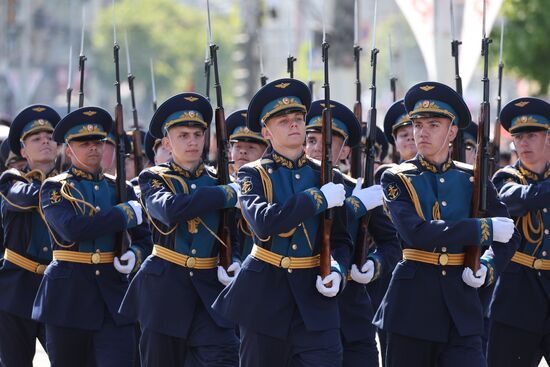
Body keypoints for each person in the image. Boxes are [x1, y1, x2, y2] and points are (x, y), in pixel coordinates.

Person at [375, 81, 519, 366]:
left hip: (461, 311)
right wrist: (482, 229)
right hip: (410, 312)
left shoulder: (472, 178)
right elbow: (416, 233)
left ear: (452, 132)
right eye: (417, 124)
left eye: (433, 124)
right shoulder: (396, 178)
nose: (422, 132)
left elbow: (509, 236)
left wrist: (488, 266)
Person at [213, 78, 352, 367]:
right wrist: (317, 199)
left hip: (315, 299)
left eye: (299, 119)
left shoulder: (329, 176)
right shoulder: (253, 175)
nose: (294, 125)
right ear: (266, 132)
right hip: (264, 294)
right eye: (284, 121)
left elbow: (340, 240)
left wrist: (338, 270)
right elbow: (264, 223)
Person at [119, 93, 241, 366]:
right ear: (166, 142)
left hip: (211, 292)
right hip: (164, 293)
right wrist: (224, 195)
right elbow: (170, 210)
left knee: (225, 357)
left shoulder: (219, 180)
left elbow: (236, 232)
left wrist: (234, 259)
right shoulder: (153, 178)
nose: (192, 141)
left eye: (198, 134)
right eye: (183, 135)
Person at [33, 106, 152, 367]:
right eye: (84, 143)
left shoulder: (120, 189)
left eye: (98, 142)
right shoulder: (56, 188)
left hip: (114, 297)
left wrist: (135, 255)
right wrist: (122, 216)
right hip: (68, 298)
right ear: (69, 148)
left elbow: (146, 239)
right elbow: (72, 229)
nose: (94, 149)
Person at [304, 99, 401, 366]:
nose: (314, 148)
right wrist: (353, 207)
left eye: (324, 143)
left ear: (344, 150)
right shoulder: (294, 191)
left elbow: (391, 243)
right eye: (310, 140)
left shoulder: (358, 189)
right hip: (306, 318)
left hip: (352, 317)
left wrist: (375, 264)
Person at [488, 97, 550, 366]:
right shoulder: (505, 178)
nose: (523, 143)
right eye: (518, 137)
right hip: (517, 298)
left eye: (532, 135)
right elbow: (521, 199)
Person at [0, 105, 60, 366]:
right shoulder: (11, 179)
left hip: (57, 288)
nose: (45, 141)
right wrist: (62, 191)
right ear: (23, 151)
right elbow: (24, 199)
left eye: (50, 137)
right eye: (36, 139)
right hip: (16, 289)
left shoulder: (71, 182)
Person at [226, 109, 268, 258]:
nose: (243, 152)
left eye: (251, 147)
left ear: (265, 153)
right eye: (238, 147)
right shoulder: (221, 184)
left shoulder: (270, 185)